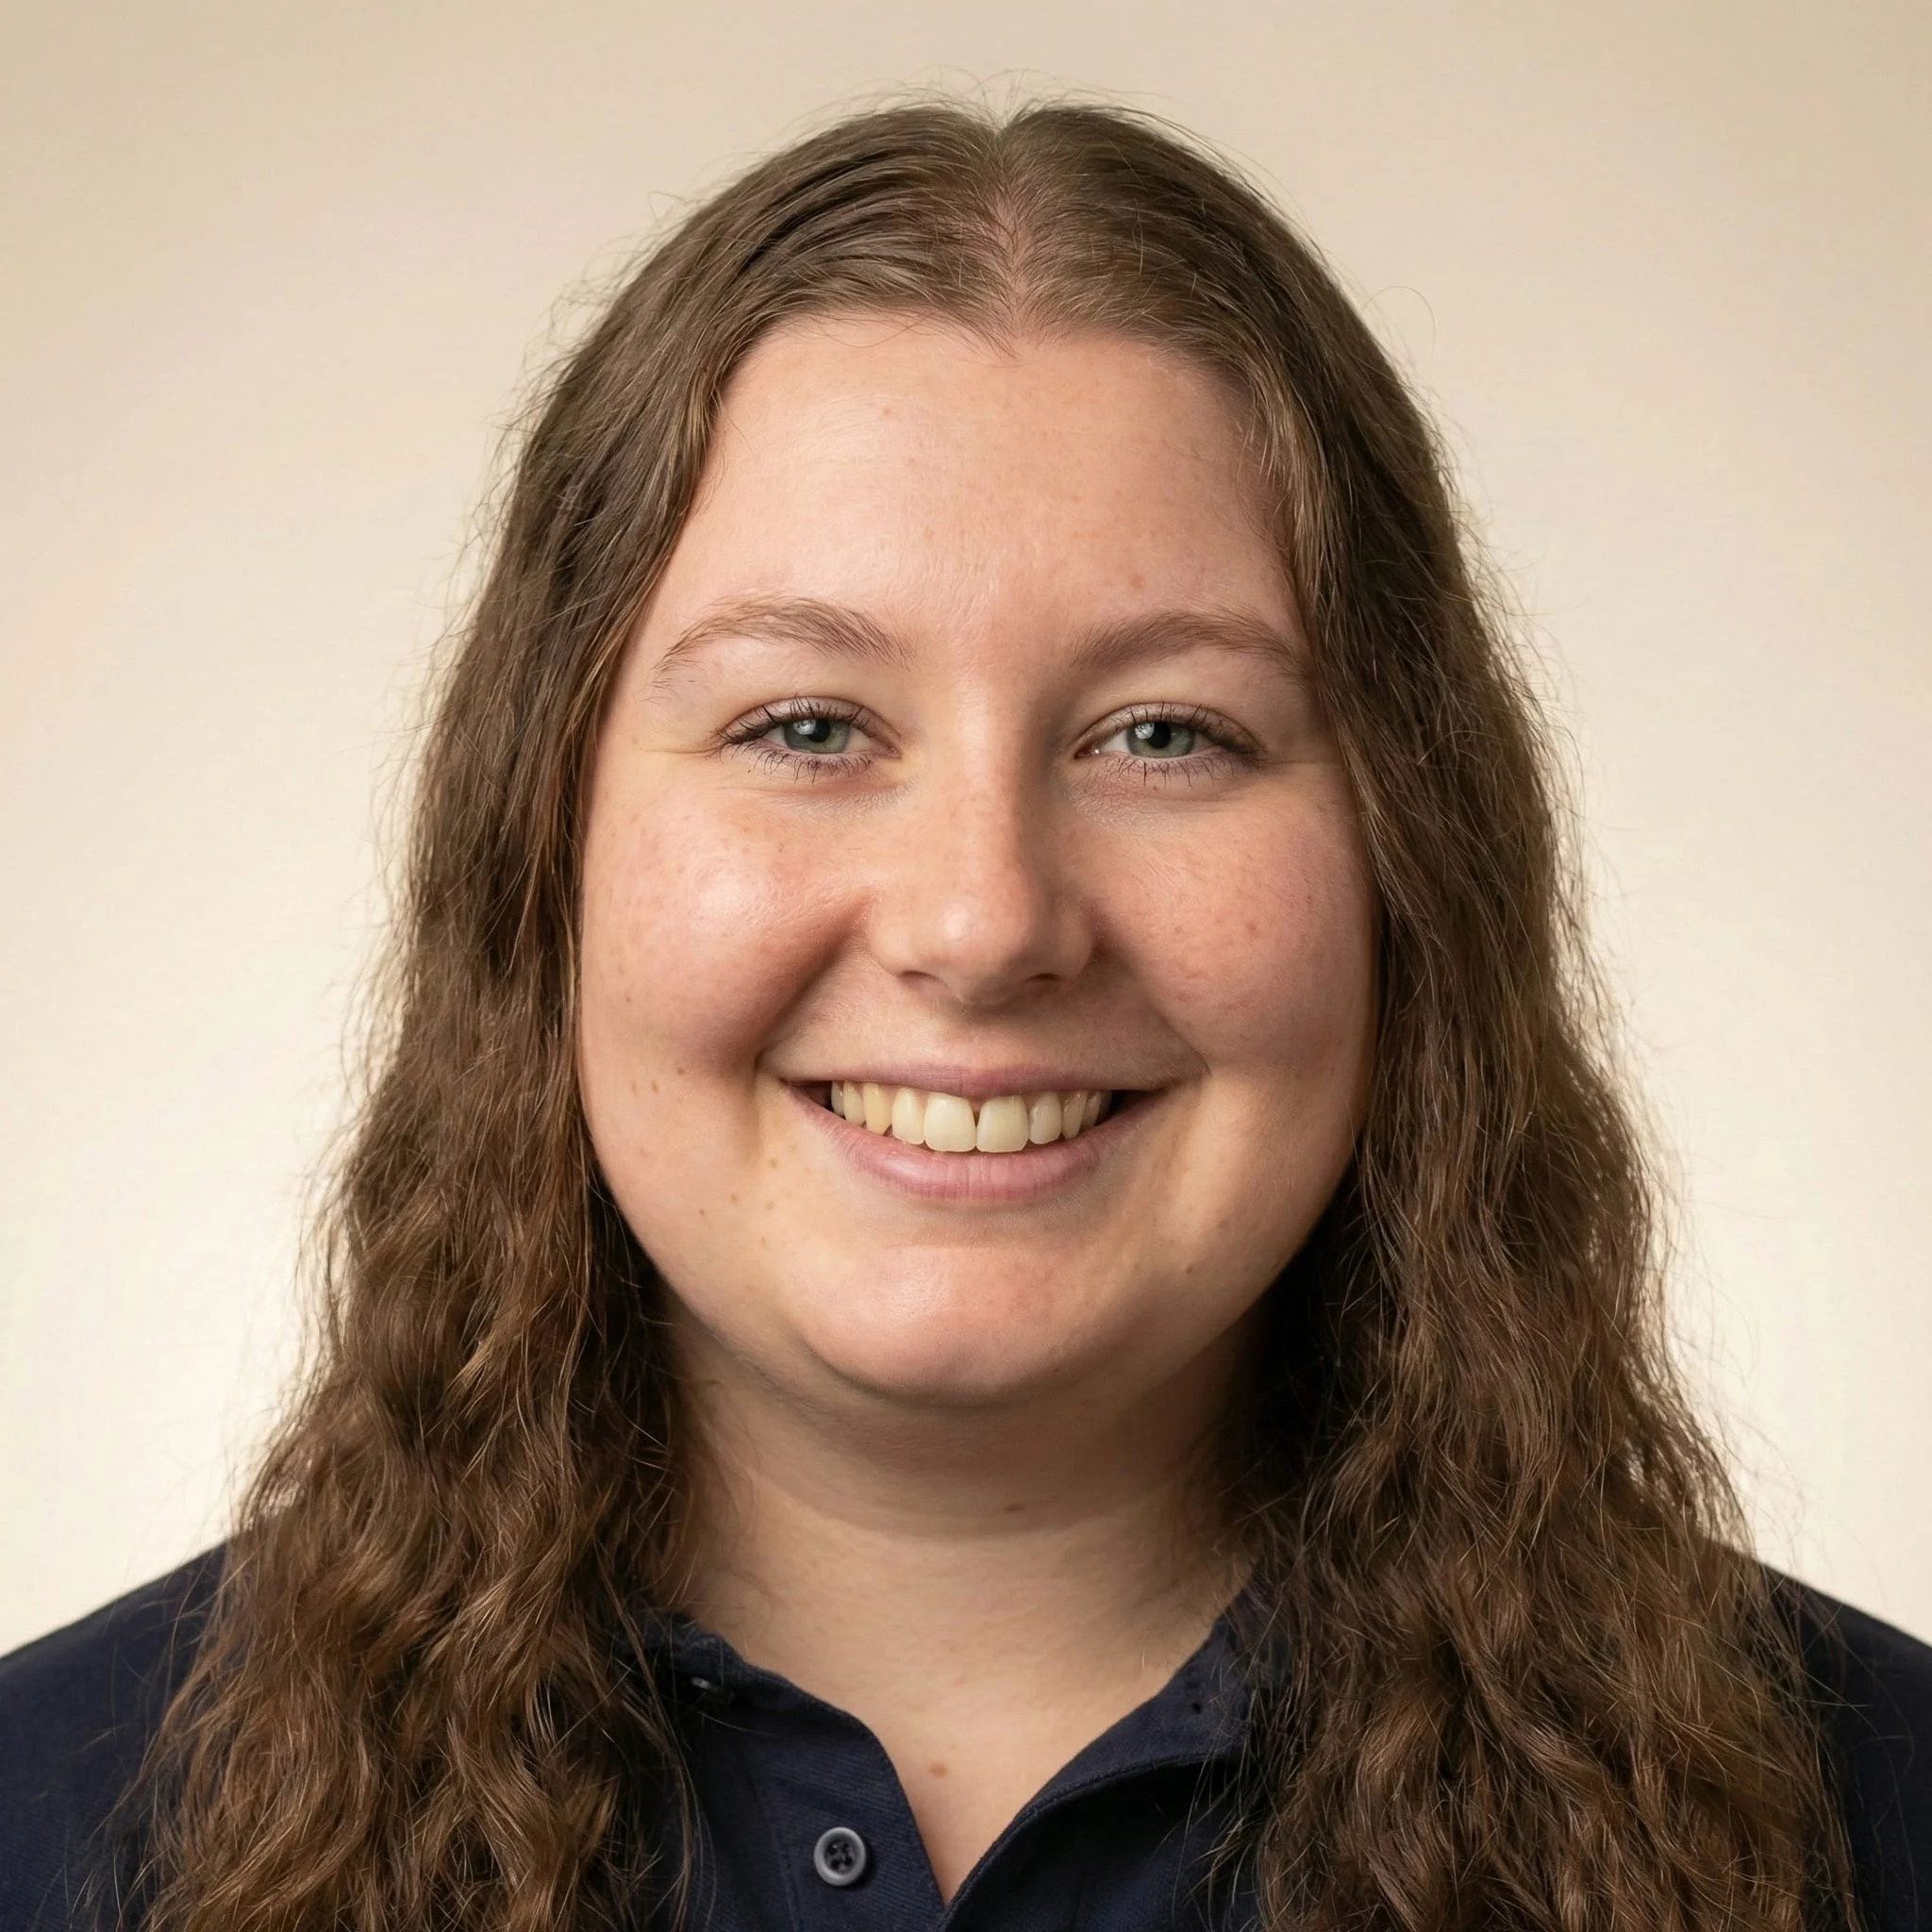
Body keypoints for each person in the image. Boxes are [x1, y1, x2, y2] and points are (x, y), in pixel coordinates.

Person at [2, 97, 1927, 1932]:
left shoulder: (1881, 1819)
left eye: (1163, 732)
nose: (983, 919)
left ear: (1408, 860)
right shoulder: (52, 1828)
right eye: (808, 727)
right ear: (543, 843)